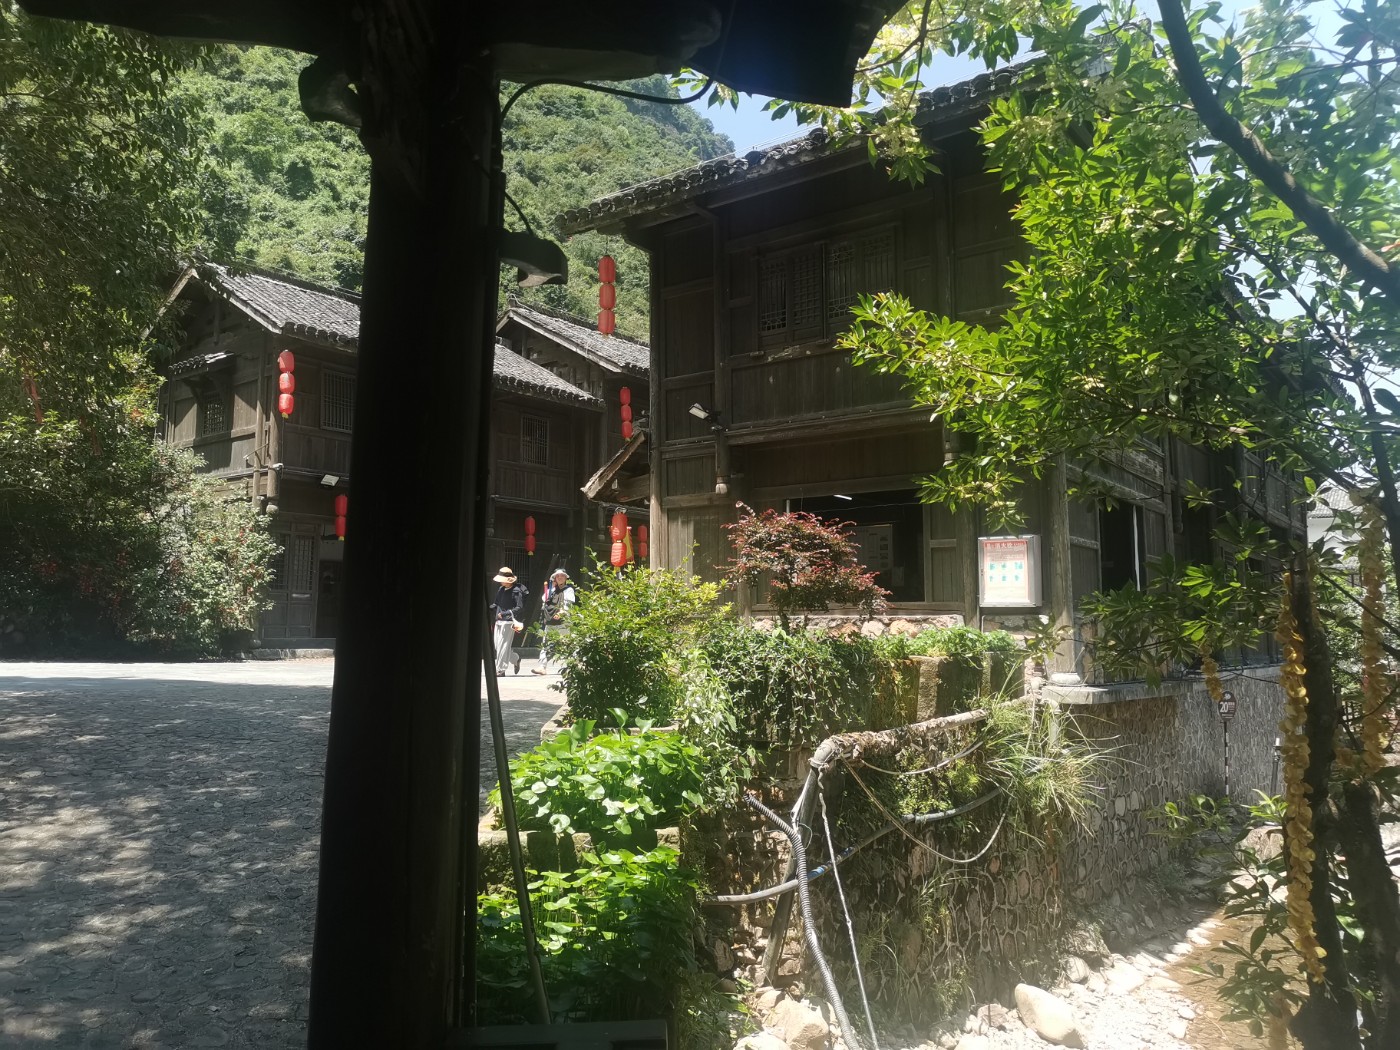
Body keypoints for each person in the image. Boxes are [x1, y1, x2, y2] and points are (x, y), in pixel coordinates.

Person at [533, 568, 577, 675]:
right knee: (545, 644)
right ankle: (542, 667)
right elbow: (544, 599)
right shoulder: (551, 590)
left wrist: (562, 612)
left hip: (564, 622)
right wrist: (552, 587)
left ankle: (572, 666)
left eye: (562, 575)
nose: (560, 577)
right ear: (554, 578)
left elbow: (568, 604)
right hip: (551, 621)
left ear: (566, 578)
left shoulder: (569, 590)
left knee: (568, 643)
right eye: (557, 576)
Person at [488, 567, 527, 676]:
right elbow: (496, 604)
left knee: (503, 646)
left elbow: (519, 607)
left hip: (509, 622)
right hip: (498, 621)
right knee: (498, 646)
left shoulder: (516, 591)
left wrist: (506, 613)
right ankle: (515, 658)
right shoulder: (501, 589)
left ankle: (501, 670)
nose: (500, 581)